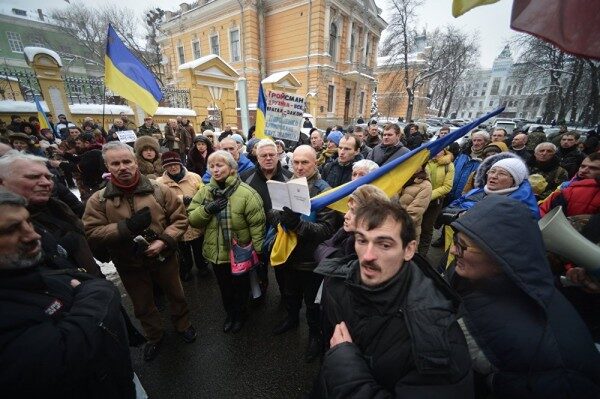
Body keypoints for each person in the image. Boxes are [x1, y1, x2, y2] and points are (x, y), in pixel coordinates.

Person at [311, 199, 473, 398]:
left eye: (384, 244)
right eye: (362, 240)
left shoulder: (437, 336)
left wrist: (346, 368)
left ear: (409, 250)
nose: (367, 256)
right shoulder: (338, 283)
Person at [447, 196, 600, 399]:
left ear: (500, 255)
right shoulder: (472, 277)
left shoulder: (554, 362)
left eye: (463, 246)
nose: (452, 250)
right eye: (456, 241)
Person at [0, 188, 136, 398]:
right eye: (10, 229)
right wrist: (97, 290)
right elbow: (67, 353)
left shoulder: (37, 276)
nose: (33, 235)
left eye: (28, 222)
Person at [83, 141, 196, 362]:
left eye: (127, 161)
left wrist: (164, 240)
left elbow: (180, 220)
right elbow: (92, 232)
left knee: (176, 295)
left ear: (135, 162)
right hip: (129, 263)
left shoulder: (159, 189)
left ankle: (183, 325)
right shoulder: (99, 199)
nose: (122, 167)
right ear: (107, 166)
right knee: (142, 304)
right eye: (115, 163)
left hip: (164, 258)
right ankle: (154, 336)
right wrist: (126, 228)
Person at [269, 145, 341, 363]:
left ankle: (314, 336)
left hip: (311, 261)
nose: (299, 167)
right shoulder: (286, 184)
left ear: (315, 163)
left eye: (305, 163)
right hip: (288, 256)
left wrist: (298, 226)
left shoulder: (324, 190)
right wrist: (282, 220)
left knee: (312, 303)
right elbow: (272, 212)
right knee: (290, 294)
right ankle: (291, 319)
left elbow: (326, 230)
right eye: (296, 162)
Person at [188, 150, 265, 333]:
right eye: (212, 166)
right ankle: (230, 314)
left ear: (231, 168)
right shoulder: (206, 191)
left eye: (220, 165)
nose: (215, 170)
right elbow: (192, 218)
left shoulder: (247, 193)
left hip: (239, 252)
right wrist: (207, 210)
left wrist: (260, 252)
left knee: (240, 287)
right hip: (216, 252)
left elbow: (257, 224)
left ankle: (241, 315)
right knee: (224, 287)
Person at [0, 152, 101, 276]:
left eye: (48, 177)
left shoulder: (59, 207)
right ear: (2, 182)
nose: (46, 183)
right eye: (33, 177)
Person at [240, 139, 294, 297]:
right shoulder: (244, 178)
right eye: (264, 155)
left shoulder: (289, 178)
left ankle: (285, 295)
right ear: (257, 158)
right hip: (255, 233)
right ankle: (261, 291)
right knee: (259, 268)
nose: (268, 158)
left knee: (282, 270)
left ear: (278, 156)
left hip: (281, 234)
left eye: (272, 154)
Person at [441, 154, 540, 221]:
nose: (493, 176)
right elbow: (447, 211)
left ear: (514, 180)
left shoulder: (521, 208)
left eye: (502, 173)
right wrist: (460, 214)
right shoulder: (476, 192)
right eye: (492, 171)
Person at [157, 151, 207, 281]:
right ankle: (186, 270)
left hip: (195, 221)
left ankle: (203, 267)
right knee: (182, 251)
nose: (173, 167)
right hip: (176, 223)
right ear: (164, 167)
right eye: (169, 165)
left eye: (175, 164)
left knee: (199, 248)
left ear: (180, 164)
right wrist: (181, 199)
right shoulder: (159, 183)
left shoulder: (194, 177)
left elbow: (204, 196)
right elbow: (158, 203)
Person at [314, 185, 389, 263]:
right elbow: (320, 248)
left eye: (353, 211)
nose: (346, 216)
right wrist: (335, 256)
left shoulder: (372, 251)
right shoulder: (345, 233)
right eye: (349, 209)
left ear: (370, 216)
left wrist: (332, 258)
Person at [420, 146, 455, 255]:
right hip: (419, 199)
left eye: (439, 149)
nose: (436, 151)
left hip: (434, 202)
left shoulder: (449, 165)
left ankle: (422, 254)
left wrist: (428, 196)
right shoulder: (424, 161)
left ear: (444, 150)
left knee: (427, 228)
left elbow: (447, 187)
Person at [448, 130, 489, 202]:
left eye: (479, 140)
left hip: (467, 198)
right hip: (450, 193)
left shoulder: (486, 159)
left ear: (486, 142)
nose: (476, 143)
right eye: (474, 140)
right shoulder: (463, 154)